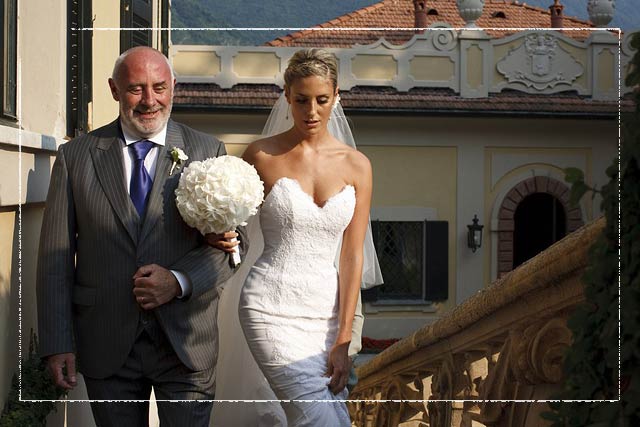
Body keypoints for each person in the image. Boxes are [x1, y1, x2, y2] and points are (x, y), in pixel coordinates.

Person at [36, 46, 247, 427]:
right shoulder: (75, 158)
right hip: (107, 342)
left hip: (186, 344)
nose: (149, 101)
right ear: (114, 90)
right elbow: (55, 259)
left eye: (159, 87)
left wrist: (179, 281)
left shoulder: (207, 151)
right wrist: (57, 343)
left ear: (174, 87)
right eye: (135, 89)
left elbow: (234, 246)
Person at [236, 48, 374, 426]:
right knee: (319, 419)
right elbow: (233, 230)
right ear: (287, 98)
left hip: (326, 317)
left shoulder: (357, 166)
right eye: (301, 100)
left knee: (331, 416)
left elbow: (352, 256)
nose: (311, 111)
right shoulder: (261, 156)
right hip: (268, 307)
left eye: (321, 100)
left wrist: (344, 338)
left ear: (336, 97)